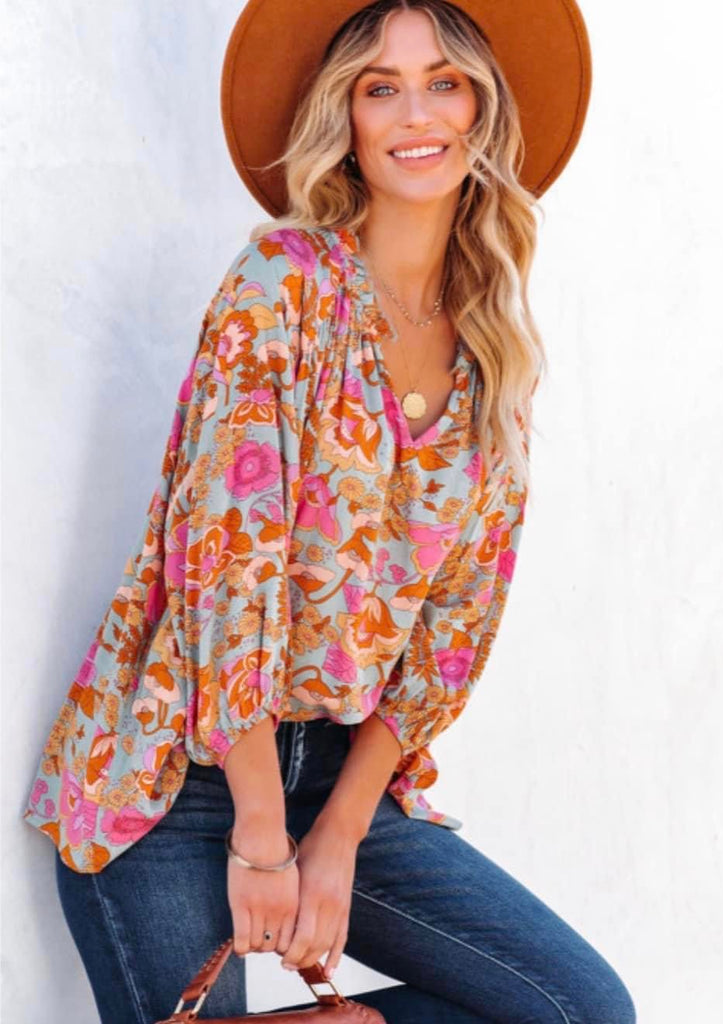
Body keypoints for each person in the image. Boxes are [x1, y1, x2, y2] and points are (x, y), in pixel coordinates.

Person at [22, 1, 636, 1021]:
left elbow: (453, 625)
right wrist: (262, 834)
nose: (416, 113)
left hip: (343, 775)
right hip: (176, 773)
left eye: (444, 82)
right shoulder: (282, 285)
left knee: (578, 1008)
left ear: (482, 109)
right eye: (380, 87)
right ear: (344, 119)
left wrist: (340, 834)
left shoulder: (494, 348)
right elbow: (228, 569)